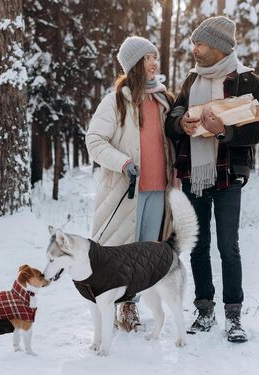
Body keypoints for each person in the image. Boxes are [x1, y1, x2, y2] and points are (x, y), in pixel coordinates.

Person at [165, 16, 259, 343]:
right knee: (199, 246)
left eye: (200, 43)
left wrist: (222, 131)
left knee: (228, 246)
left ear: (219, 47)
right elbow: (173, 116)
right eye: (194, 42)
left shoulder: (248, 81)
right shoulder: (191, 80)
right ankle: (204, 309)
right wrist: (182, 124)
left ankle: (234, 316)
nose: (194, 49)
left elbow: (257, 129)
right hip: (194, 172)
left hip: (228, 174)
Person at [86, 36, 175, 332]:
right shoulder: (116, 101)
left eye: (154, 57)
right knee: (120, 251)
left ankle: (129, 307)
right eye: (147, 58)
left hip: (159, 191)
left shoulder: (164, 100)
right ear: (134, 65)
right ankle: (113, 305)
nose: (153, 63)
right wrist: (123, 162)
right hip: (127, 191)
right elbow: (95, 140)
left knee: (145, 257)